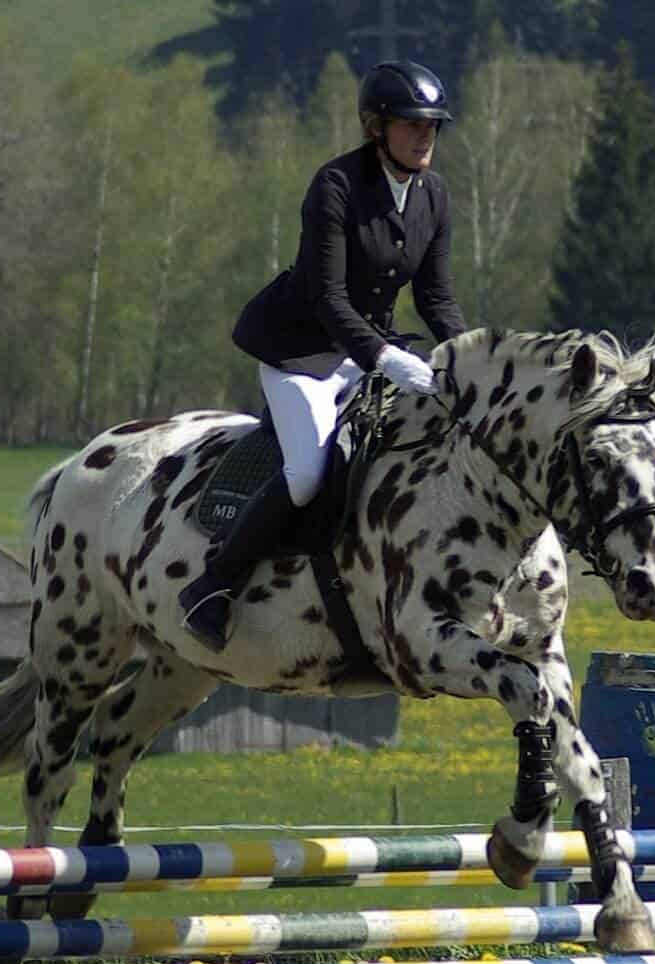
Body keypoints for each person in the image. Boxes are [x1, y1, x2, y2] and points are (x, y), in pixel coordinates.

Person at [179, 59, 470, 651]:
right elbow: (328, 297)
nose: (425, 136)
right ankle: (213, 586)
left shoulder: (434, 196)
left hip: (371, 352)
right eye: (412, 125)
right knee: (308, 474)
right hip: (302, 351)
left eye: (432, 126)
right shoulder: (336, 186)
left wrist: (471, 359)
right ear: (377, 127)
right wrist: (386, 358)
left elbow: (436, 297)